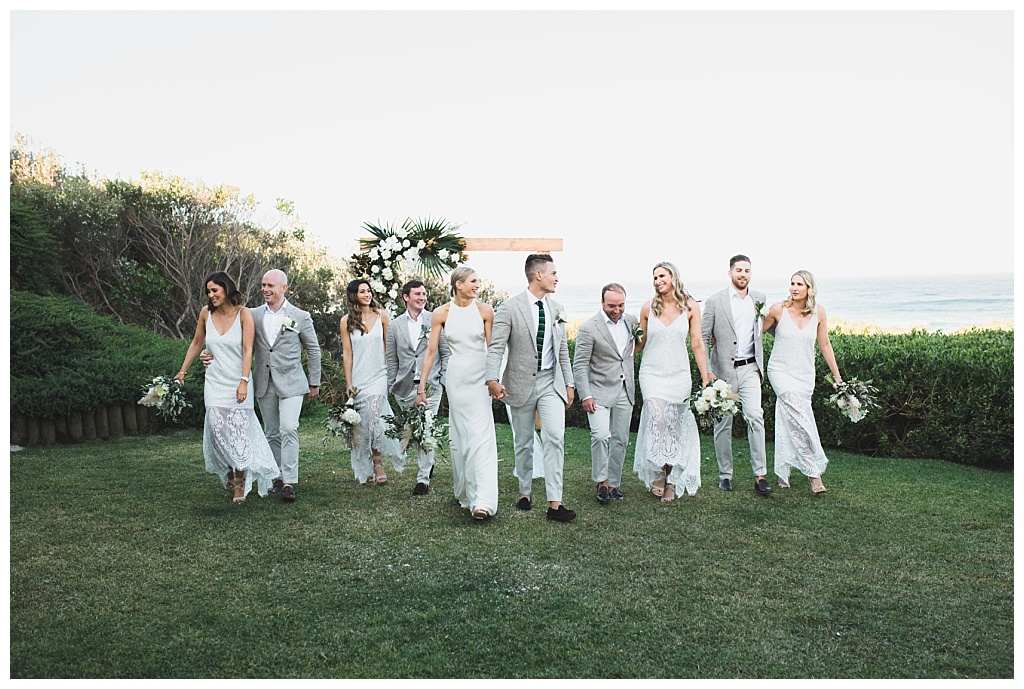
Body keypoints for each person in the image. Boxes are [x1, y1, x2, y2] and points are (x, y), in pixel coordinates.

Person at [204, 269, 322, 503]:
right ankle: (277, 477)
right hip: (263, 382)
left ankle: (289, 481)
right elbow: (234, 343)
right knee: (272, 431)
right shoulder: (252, 314)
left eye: (270, 286)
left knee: (289, 428)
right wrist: (208, 353)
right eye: (263, 285)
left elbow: (313, 349)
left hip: (292, 382)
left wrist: (314, 382)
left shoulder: (300, 316)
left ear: (284, 288)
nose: (265, 290)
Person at [485, 253, 576, 523]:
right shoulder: (509, 308)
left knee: (555, 437)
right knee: (523, 442)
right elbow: (496, 347)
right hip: (520, 384)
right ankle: (525, 492)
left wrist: (569, 383)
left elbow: (562, 351)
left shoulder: (557, 308)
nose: (557, 278)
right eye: (553, 273)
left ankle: (555, 503)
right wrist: (492, 379)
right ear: (538, 275)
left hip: (550, 383)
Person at [175, 272, 278, 502]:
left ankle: (240, 482)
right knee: (216, 429)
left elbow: (248, 350)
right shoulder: (206, 313)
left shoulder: (244, 314)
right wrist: (182, 371)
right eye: (208, 291)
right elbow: (197, 342)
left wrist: (244, 381)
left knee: (239, 433)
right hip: (214, 381)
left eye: (215, 290)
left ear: (226, 289)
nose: (211, 295)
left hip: (238, 381)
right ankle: (231, 468)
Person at [417, 267, 498, 520]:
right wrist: (421, 387)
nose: (477, 285)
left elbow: (493, 349)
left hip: (480, 376)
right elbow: (431, 352)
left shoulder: (485, 311)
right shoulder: (441, 313)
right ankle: (465, 491)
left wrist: (495, 379)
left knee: (480, 436)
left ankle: (482, 500)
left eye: (478, 281)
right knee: (462, 434)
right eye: (473, 281)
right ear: (458, 284)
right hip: (456, 377)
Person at [633, 261, 710, 502]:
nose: (658, 281)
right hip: (651, 373)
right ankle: (658, 471)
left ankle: (672, 479)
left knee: (674, 425)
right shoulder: (648, 308)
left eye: (662, 276)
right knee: (657, 418)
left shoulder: (690, 307)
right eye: (655, 277)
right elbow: (639, 344)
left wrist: (706, 377)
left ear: (673, 277)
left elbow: (697, 343)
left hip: (679, 375)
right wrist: (615, 353)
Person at [762, 270, 843, 495]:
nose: (794, 288)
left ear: (809, 288)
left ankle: (783, 470)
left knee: (788, 418)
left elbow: (825, 345)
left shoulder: (819, 313)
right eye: (792, 283)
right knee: (800, 418)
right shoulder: (778, 309)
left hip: (805, 375)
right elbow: (755, 332)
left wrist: (838, 377)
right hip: (780, 371)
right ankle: (814, 474)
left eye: (799, 284)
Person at [701, 254, 772, 495]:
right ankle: (725, 475)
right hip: (724, 372)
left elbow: (771, 326)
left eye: (747, 270)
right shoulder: (714, 301)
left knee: (755, 417)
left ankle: (760, 475)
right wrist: (708, 371)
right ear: (730, 273)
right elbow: (703, 337)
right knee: (723, 423)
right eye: (739, 270)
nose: (743, 274)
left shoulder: (759, 299)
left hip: (751, 368)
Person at [572, 283, 639, 505]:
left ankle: (614, 483)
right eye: (611, 306)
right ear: (602, 303)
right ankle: (601, 482)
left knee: (621, 439)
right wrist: (586, 395)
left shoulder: (632, 322)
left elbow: (637, 346)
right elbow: (580, 364)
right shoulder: (589, 328)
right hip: (598, 392)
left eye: (621, 305)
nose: (616, 310)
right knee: (600, 435)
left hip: (625, 390)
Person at [386, 279, 449, 496]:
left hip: (431, 386)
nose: (422, 298)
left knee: (425, 428)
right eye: (417, 294)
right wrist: (392, 386)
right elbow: (392, 359)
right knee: (414, 431)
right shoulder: (394, 326)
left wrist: (442, 380)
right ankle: (428, 462)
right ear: (406, 297)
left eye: (424, 294)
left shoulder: (435, 319)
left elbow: (445, 352)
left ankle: (423, 479)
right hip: (404, 388)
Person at [340, 278, 404, 485]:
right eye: (362, 291)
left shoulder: (382, 316)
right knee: (363, 423)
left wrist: (392, 374)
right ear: (354, 295)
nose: (367, 294)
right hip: (359, 378)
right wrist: (348, 383)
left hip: (379, 375)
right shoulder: (346, 321)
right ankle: (367, 459)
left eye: (368, 291)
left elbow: (389, 347)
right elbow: (347, 353)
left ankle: (378, 463)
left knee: (373, 416)